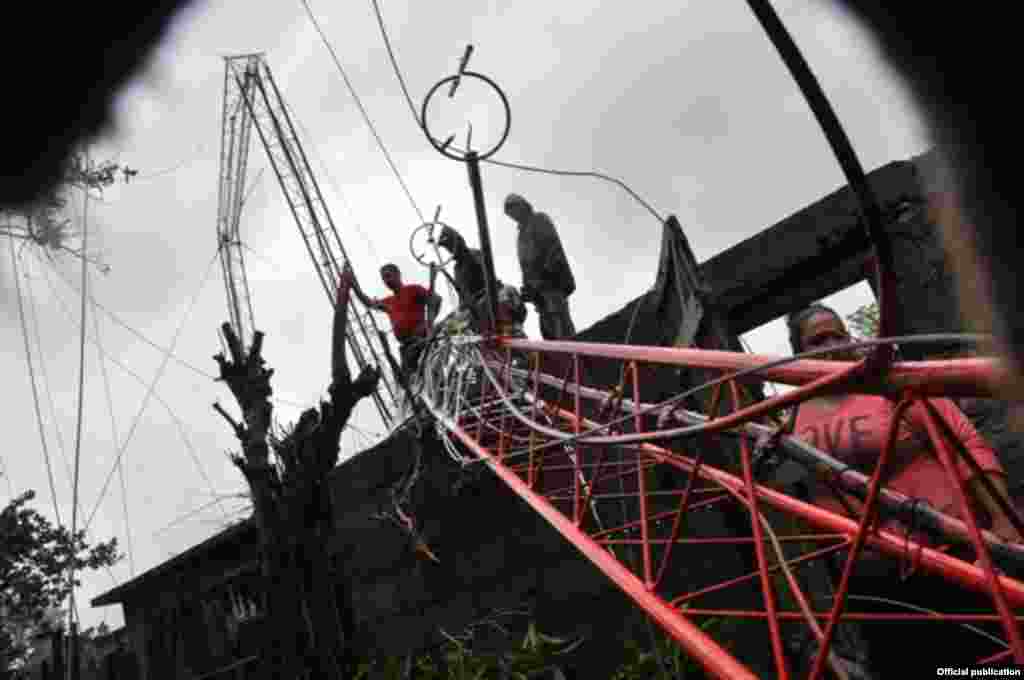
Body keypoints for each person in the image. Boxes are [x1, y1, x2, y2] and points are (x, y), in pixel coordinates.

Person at [787, 302, 1022, 671]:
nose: (831, 345)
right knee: (918, 666)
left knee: (992, 659)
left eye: (838, 335)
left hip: (952, 550)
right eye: (818, 340)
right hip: (875, 579)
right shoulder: (793, 416)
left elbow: (966, 444)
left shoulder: (893, 384)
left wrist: (1002, 521)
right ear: (800, 354)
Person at [343, 263, 440, 377]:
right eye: (384, 278)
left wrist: (427, 325)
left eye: (388, 276)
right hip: (407, 348)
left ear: (398, 275)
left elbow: (434, 300)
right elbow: (368, 302)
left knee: (433, 375)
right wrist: (353, 284)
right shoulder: (389, 301)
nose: (387, 281)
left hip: (422, 341)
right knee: (411, 384)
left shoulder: (414, 290)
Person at [504, 193, 576, 340]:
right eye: (510, 214)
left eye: (513, 210)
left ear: (523, 205)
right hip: (538, 294)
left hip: (551, 285)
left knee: (561, 328)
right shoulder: (521, 235)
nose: (513, 216)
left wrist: (545, 275)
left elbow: (552, 249)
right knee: (548, 332)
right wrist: (527, 287)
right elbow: (525, 266)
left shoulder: (539, 220)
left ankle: (574, 356)